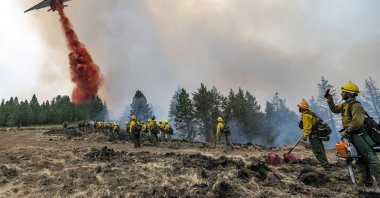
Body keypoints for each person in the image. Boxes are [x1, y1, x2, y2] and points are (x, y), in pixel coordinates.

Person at [326, 82, 380, 186]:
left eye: (343, 92)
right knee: (359, 159)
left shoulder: (356, 106)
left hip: (359, 136)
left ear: (349, 93)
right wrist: (329, 99)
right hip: (353, 136)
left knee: (371, 159)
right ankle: (365, 184)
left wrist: (346, 131)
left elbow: (357, 122)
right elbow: (335, 109)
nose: (341, 93)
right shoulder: (346, 105)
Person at [298, 100, 331, 169]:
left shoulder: (306, 115)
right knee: (321, 149)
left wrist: (305, 136)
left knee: (317, 151)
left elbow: (307, 128)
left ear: (302, 108)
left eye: (300, 107)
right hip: (317, 134)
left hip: (313, 136)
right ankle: (326, 165)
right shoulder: (311, 113)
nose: (299, 108)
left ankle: (326, 166)